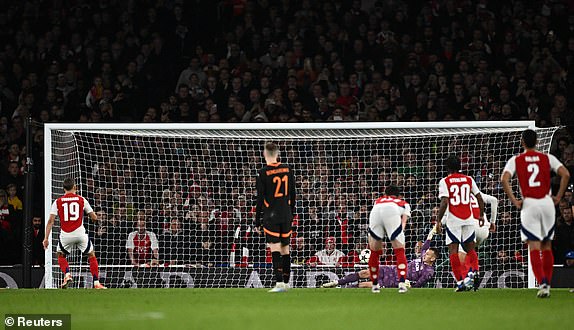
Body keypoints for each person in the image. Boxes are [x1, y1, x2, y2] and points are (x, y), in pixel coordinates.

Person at [501, 129, 570, 298]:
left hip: (530, 203)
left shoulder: (516, 160)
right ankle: (547, 283)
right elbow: (566, 174)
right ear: (537, 142)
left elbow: (504, 179)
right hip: (547, 203)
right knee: (546, 245)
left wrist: (515, 200)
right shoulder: (547, 158)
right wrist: (558, 196)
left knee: (533, 245)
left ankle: (543, 283)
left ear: (522, 142)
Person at [43, 178, 106, 289]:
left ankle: (67, 275)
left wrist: (46, 238)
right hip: (80, 233)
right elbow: (94, 217)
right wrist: (94, 219)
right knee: (91, 255)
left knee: (60, 255)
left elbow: (50, 221)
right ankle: (96, 283)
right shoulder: (81, 199)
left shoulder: (57, 202)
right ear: (75, 187)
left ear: (63, 188)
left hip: (66, 235)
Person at [436, 155, 484, 292]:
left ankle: (460, 282)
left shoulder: (445, 181)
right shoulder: (469, 179)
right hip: (468, 218)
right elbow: (479, 197)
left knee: (453, 251)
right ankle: (475, 272)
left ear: (447, 168)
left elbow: (445, 201)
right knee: (470, 249)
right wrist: (480, 215)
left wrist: (438, 220)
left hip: (454, 220)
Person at [254, 142, 296, 292]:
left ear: (265, 154)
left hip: (271, 215)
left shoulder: (263, 172)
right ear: (277, 154)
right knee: (286, 249)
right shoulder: (288, 169)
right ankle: (286, 283)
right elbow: (293, 193)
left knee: (275, 249)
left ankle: (278, 283)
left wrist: (257, 221)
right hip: (286, 214)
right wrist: (290, 212)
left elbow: (260, 199)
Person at [323, 242, 438, 289]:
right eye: (426, 253)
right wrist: (433, 231)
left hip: (393, 281)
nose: (424, 255)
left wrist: (409, 285)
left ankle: (342, 291)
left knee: (363, 285)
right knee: (364, 272)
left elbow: (419, 285)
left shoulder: (429, 272)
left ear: (433, 258)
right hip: (390, 269)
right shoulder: (422, 256)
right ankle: (336, 283)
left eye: (428, 255)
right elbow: (426, 243)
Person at [366, 185, 411, 294]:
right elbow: (403, 221)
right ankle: (401, 283)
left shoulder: (378, 201)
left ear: (385, 194)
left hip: (375, 212)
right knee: (399, 250)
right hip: (392, 211)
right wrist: (398, 234)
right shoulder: (403, 203)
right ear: (399, 195)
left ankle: (375, 285)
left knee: (374, 251)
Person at [458, 191, 498, 285]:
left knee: (460, 251)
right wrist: (493, 222)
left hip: (470, 227)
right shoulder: (475, 194)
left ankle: (467, 278)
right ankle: (475, 272)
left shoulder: (455, 195)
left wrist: (439, 223)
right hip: (484, 229)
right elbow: (494, 200)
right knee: (469, 250)